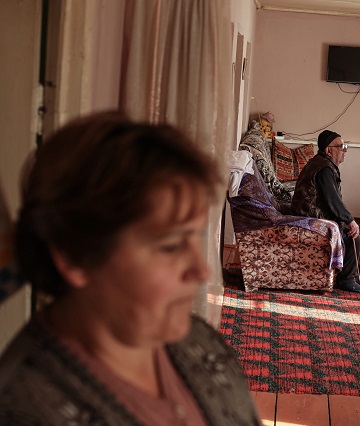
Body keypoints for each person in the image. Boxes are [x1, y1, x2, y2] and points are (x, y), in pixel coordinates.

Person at [0, 111, 262, 425]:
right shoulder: (24, 409)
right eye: (170, 245)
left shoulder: (200, 343)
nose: (201, 270)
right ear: (76, 257)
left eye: (195, 236)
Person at [291, 130, 360, 292]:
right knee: (354, 237)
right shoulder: (324, 168)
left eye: (345, 146)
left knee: (346, 228)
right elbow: (332, 200)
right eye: (341, 146)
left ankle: (350, 274)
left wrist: (345, 219)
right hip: (309, 216)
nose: (344, 150)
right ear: (328, 149)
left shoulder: (322, 163)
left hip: (309, 211)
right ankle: (346, 279)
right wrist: (350, 220)